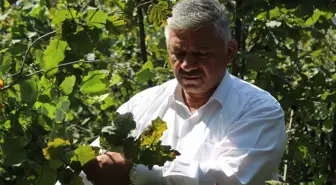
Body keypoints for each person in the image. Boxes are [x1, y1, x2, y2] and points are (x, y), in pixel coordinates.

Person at [81, 0, 287, 185]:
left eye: (201, 54)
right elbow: (89, 167)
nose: (187, 65)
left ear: (230, 52)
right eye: (178, 54)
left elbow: (229, 179)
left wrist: (134, 172)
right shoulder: (141, 105)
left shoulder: (258, 110)